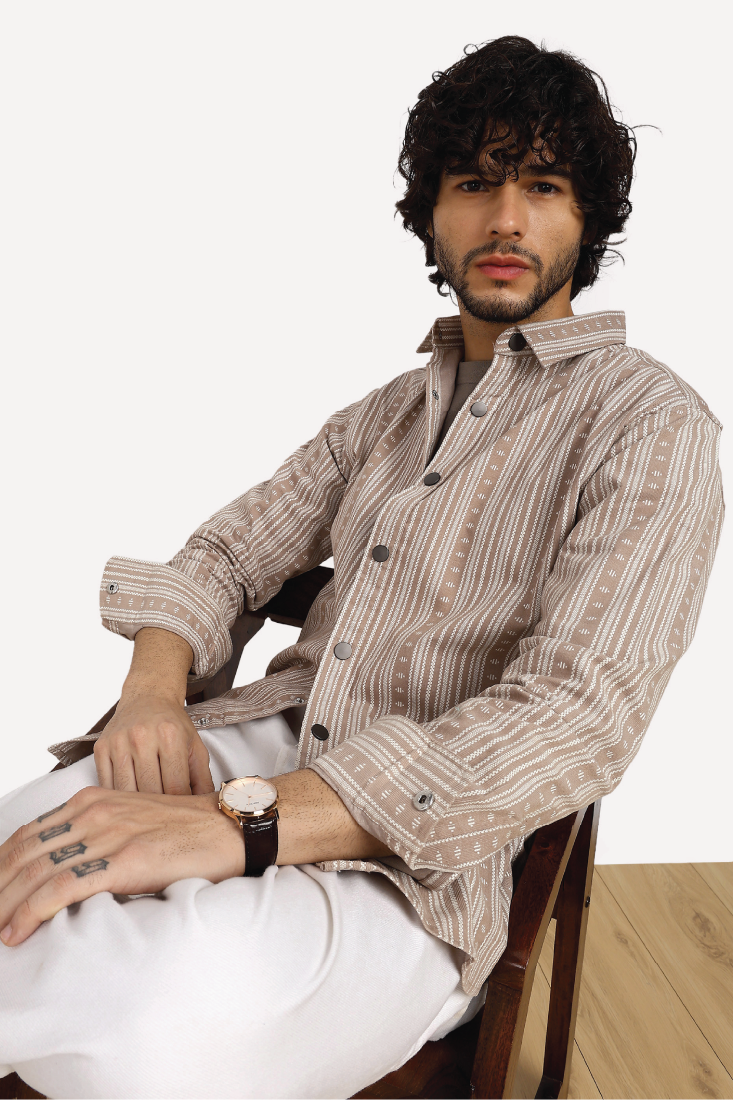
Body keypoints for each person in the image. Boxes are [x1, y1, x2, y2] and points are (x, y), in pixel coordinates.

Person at [0, 33, 723, 1100]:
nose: (506, 219)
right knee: (16, 855)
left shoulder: (652, 423)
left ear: (589, 218)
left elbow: (576, 713)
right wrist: (151, 695)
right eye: (473, 183)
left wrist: (239, 827)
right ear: (431, 215)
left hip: (425, 853)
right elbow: (226, 553)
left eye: (542, 185)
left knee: (157, 1019)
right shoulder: (384, 413)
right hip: (265, 735)